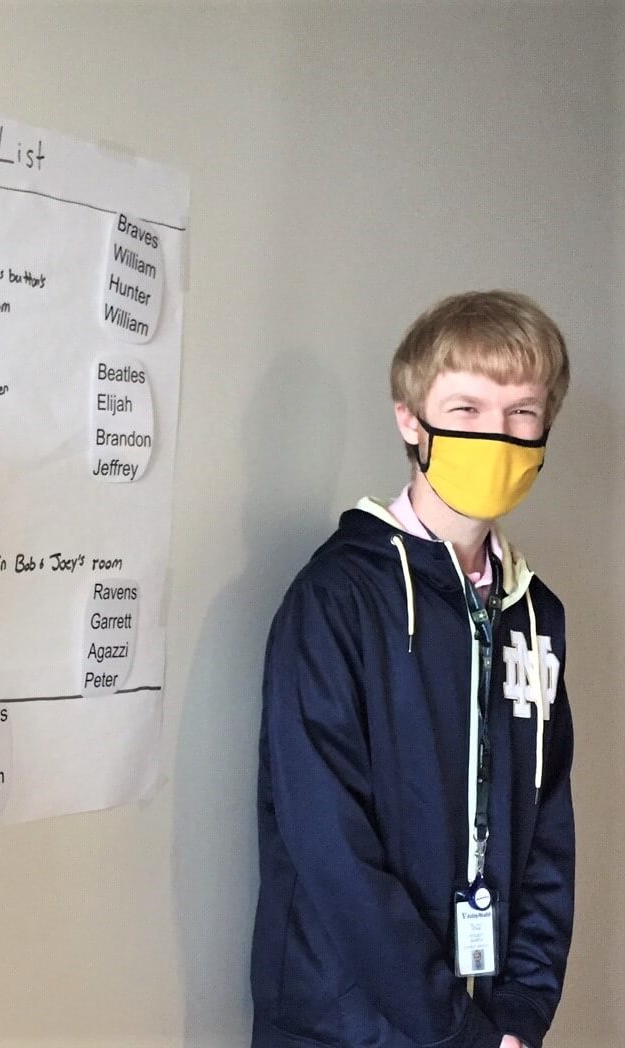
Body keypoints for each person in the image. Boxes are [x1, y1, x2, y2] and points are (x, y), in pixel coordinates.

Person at [251, 291, 574, 1048]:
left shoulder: (535, 614)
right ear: (409, 417)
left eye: (521, 413)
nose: (496, 435)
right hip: (349, 1024)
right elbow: (328, 843)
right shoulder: (338, 597)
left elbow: (549, 828)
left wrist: (521, 1012)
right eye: (466, 408)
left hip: (492, 1023)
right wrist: (452, 1028)